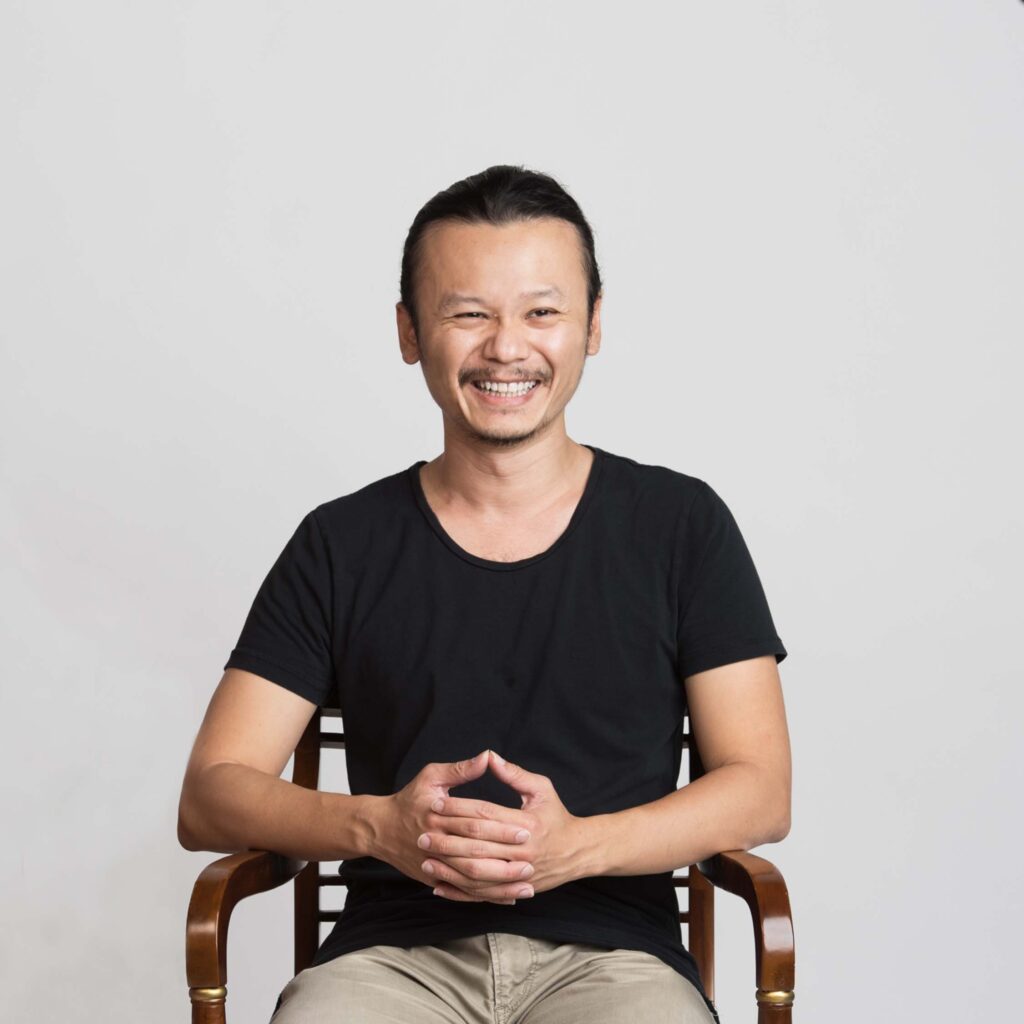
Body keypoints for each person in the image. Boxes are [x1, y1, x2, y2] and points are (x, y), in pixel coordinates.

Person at [177, 164, 791, 1024]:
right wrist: (381, 829)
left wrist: (576, 848)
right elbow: (209, 795)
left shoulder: (682, 526)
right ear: (408, 331)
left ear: (594, 325)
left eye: (543, 312)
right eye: (469, 313)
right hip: (390, 962)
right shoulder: (341, 543)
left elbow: (762, 790)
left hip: (616, 961)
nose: (508, 346)